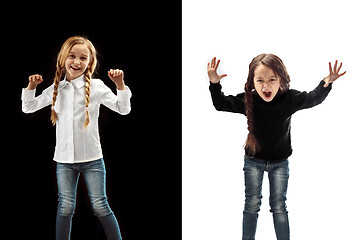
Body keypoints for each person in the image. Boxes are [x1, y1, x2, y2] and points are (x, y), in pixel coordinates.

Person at [207, 54, 346, 240]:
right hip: (253, 161)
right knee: (251, 204)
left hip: (280, 162)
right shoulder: (249, 100)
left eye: (272, 79)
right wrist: (214, 84)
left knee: (279, 205)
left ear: (280, 79)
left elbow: (313, 98)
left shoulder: (289, 98)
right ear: (252, 82)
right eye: (260, 80)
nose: (266, 86)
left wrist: (326, 82)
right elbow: (221, 104)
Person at [21, 36, 131, 240]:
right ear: (63, 58)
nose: (77, 62)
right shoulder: (56, 89)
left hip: (92, 160)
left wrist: (120, 85)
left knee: (100, 206)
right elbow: (28, 107)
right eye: (72, 56)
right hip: (64, 161)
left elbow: (122, 109)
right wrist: (31, 87)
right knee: (65, 208)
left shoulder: (96, 86)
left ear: (90, 63)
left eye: (83, 58)